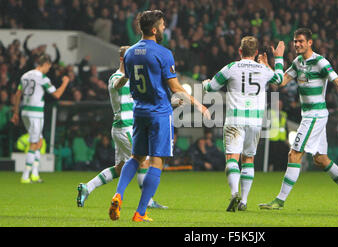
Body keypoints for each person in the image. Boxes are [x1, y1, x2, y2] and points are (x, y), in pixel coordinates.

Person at [109, 10, 210, 222]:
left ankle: (118, 194)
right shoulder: (163, 53)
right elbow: (174, 86)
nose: (165, 28)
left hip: (139, 112)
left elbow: (125, 77)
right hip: (159, 112)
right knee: (157, 161)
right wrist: (198, 103)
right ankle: (140, 213)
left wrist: (118, 83)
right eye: (162, 25)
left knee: (136, 158)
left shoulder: (129, 53)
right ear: (154, 29)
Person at [258, 28, 338, 210]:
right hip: (311, 115)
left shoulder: (320, 62)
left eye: (301, 41)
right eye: (295, 41)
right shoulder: (297, 62)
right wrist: (267, 65)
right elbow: (279, 82)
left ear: (310, 42)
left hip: (315, 115)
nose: (297, 44)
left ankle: (279, 201)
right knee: (321, 159)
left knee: (294, 154)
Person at [76, 46, 168, 209]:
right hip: (124, 127)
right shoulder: (115, 77)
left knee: (119, 169)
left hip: (129, 127)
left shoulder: (136, 78)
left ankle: (87, 187)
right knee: (144, 161)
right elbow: (118, 84)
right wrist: (128, 74)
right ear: (122, 59)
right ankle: (148, 201)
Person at [202, 36, 285, 211]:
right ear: (256, 53)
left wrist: (205, 84)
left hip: (235, 120)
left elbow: (211, 88)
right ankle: (244, 201)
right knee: (249, 159)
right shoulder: (263, 69)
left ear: (240, 51)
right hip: (255, 121)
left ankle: (234, 194)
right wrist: (278, 58)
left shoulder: (231, 67)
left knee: (232, 158)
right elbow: (279, 79)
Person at [10, 54, 70, 183]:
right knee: (35, 143)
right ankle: (25, 176)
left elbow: (17, 94)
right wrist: (65, 83)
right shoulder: (42, 78)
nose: (49, 69)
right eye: (49, 66)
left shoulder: (25, 75)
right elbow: (57, 94)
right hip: (36, 114)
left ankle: (35, 174)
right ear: (46, 64)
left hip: (25, 111)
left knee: (40, 141)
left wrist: (16, 113)